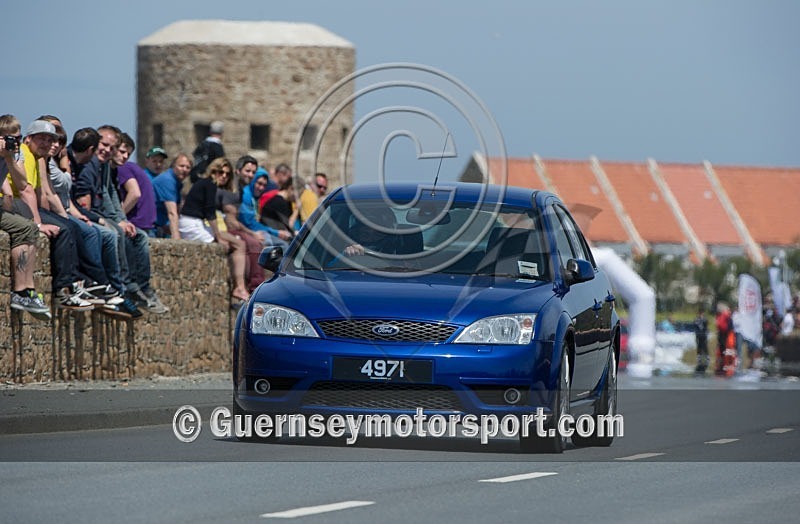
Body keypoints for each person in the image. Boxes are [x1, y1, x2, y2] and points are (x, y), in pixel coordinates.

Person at [2, 117, 91, 310]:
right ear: (28, 139)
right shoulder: (23, 154)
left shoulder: (32, 158)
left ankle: (74, 285)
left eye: (51, 140)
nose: (47, 144)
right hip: (14, 204)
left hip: (17, 203)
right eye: (41, 138)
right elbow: (25, 191)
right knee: (43, 229)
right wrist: (39, 223)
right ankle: (55, 289)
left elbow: (38, 192)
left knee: (70, 227)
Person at [179, 157, 249, 305]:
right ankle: (239, 288)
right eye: (220, 172)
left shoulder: (207, 184)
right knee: (231, 246)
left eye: (227, 174)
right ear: (213, 171)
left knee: (239, 244)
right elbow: (209, 212)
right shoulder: (209, 184)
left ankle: (240, 287)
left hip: (196, 223)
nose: (223, 176)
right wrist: (219, 236)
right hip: (191, 224)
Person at [1, 132, 51, 319]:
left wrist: (8, 157)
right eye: (8, 137)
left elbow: (22, 183)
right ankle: (20, 291)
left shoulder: (13, 154)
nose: (13, 142)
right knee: (24, 227)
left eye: (17, 137)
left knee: (29, 227)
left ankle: (27, 289)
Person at [238, 170, 291, 249]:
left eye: (264, 185)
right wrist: (276, 233)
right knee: (283, 246)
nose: (261, 188)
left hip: (254, 230)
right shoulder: (246, 195)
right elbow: (250, 224)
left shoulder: (255, 198)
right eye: (259, 183)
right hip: (247, 231)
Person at [153, 153, 192, 239]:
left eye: (188, 167)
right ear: (173, 166)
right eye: (181, 166)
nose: (184, 169)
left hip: (161, 226)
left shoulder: (176, 182)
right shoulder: (168, 180)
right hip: (151, 227)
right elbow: (172, 213)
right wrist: (176, 237)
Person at [714, 303, 733, 376]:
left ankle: (720, 365)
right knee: (725, 350)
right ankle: (725, 365)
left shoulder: (720, 316)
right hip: (725, 335)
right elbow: (729, 326)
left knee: (721, 350)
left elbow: (718, 325)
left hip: (721, 334)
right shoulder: (726, 315)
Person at [693, 308, 709, 375]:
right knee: (699, 346)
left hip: (704, 335)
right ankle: (699, 357)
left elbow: (706, 325)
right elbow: (696, 325)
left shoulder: (705, 319)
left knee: (705, 346)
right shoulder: (696, 319)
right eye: (701, 313)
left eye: (702, 314)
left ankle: (707, 356)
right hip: (698, 335)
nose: (702, 315)